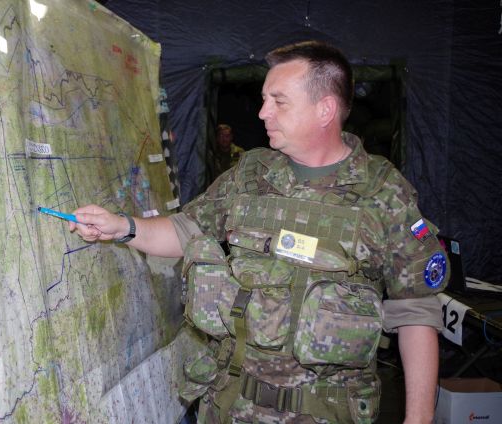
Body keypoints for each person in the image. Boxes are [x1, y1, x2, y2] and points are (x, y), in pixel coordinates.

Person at [70, 40, 448, 424]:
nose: (263, 112)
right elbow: (184, 231)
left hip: (325, 414)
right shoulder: (251, 174)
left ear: (325, 110)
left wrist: (419, 419)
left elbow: (416, 311)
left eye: (279, 101)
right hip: (230, 405)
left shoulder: (383, 194)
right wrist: (122, 226)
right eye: (264, 99)